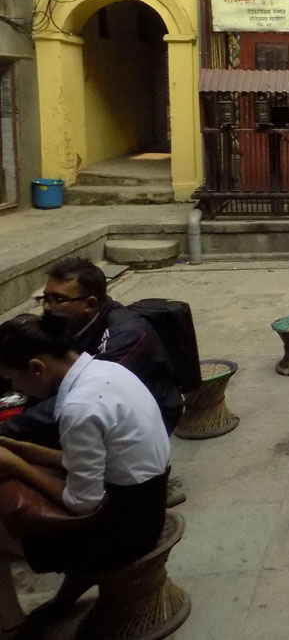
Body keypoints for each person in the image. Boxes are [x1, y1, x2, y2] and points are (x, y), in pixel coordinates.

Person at [0, 314, 170, 632]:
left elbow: (82, 503)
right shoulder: (105, 370)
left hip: (126, 531)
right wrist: (14, 445)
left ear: (36, 367)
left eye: (11, 379)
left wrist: (15, 465)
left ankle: (10, 627)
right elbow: (79, 459)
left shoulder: (80, 406)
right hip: (146, 499)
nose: (13, 388)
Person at [0, 258, 183, 448]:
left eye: (58, 299)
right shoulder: (66, 322)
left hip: (147, 416)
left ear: (89, 304)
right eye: (45, 298)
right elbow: (18, 358)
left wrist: (9, 428)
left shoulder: (126, 333)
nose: (47, 306)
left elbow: (94, 392)